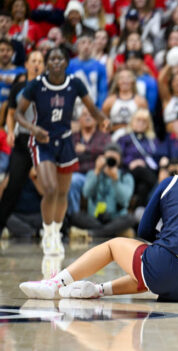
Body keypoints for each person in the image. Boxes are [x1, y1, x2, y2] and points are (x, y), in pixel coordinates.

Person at [19, 145, 178, 303]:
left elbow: (144, 230)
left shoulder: (171, 181)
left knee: (116, 246)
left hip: (161, 270)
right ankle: (98, 290)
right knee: (152, 268)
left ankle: (55, 284)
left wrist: (169, 243)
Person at [14, 47, 110, 255]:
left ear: (66, 63)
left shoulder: (74, 83)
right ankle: (47, 233)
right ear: (47, 63)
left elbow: (91, 108)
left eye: (60, 58)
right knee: (49, 189)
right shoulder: (37, 85)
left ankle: (56, 232)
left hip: (65, 141)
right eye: (52, 58)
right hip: (42, 140)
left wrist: (103, 120)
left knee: (62, 192)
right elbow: (19, 114)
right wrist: (33, 129)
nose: (56, 61)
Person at [0, 50, 44, 236]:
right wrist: (10, 132)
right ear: (26, 64)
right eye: (33, 60)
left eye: (40, 61)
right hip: (21, 142)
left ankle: (57, 230)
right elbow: (10, 114)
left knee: (49, 188)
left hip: (42, 144)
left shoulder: (49, 88)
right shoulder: (18, 88)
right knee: (12, 188)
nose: (37, 64)